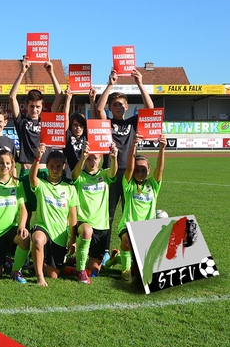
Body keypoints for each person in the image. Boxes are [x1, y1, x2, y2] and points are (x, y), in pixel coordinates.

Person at [96, 69, 155, 260]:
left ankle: (135, 248)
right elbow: (98, 109)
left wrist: (140, 83)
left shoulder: (132, 123)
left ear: (127, 106)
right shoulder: (107, 123)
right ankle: (104, 251)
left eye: (121, 104)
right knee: (109, 215)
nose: (118, 107)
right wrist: (110, 84)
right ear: (111, 108)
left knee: (131, 214)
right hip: (112, 173)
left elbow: (150, 109)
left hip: (131, 175)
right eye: (114, 104)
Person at [9, 58, 62, 212]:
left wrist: (51, 73)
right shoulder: (21, 121)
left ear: (42, 106)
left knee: (46, 210)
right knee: (27, 211)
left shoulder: (47, 120)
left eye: (38, 106)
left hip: (45, 171)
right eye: (31, 106)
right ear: (26, 106)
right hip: (26, 171)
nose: (35, 109)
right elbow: (12, 97)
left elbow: (59, 96)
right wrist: (22, 72)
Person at [116, 134, 167, 283]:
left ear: (148, 171)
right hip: (128, 226)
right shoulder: (128, 185)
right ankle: (125, 271)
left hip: (146, 229)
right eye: (137, 170)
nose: (139, 172)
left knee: (140, 271)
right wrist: (133, 146)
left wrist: (162, 148)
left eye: (143, 170)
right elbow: (130, 167)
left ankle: (117, 257)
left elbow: (160, 170)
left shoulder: (153, 185)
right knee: (127, 242)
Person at [29, 144, 78, 287]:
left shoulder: (70, 189)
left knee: (53, 275)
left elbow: (73, 216)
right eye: (51, 166)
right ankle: (39, 276)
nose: (55, 169)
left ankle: (39, 262)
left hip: (59, 235)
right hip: (42, 227)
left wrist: (73, 239)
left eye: (58, 166)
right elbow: (32, 178)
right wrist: (37, 157)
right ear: (47, 166)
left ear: (64, 166)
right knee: (38, 239)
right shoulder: (42, 185)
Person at [70, 142, 118, 283]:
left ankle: (72, 264)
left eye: (95, 158)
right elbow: (74, 174)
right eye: (89, 158)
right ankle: (79, 271)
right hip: (83, 223)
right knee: (86, 231)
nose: (92, 162)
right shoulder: (80, 176)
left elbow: (113, 172)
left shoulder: (104, 174)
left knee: (94, 272)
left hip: (101, 226)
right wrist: (82, 158)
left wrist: (114, 158)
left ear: (101, 159)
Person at [0, 149, 30, 283]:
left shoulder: (17, 184)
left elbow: (23, 209)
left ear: (12, 165)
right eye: (1, 163)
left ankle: (16, 271)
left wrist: (22, 225)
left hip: (10, 231)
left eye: (8, 163)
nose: (5, 166)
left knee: (25, 239)